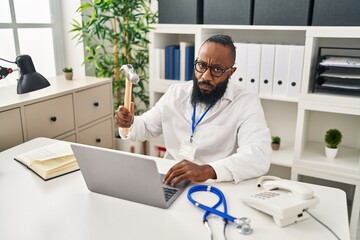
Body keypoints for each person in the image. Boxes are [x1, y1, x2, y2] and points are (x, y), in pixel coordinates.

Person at [115, 34, 271, 187]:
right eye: (201, 65)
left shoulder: (246, 102)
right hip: (172, 181)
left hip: (216, 185)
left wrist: (208, 170)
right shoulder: (176, 93)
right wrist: (129, 122)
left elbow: (258, 156)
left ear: (230, 72)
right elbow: (146, 127)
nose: (205, 76)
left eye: (216, 69)